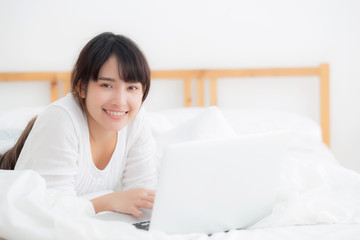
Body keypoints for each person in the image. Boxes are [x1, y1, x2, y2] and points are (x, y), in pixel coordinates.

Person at [0, 32, 157, 217]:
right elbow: (49, 211)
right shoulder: (61, 119)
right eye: (106, 85)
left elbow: (144, 193)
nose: (120, 102)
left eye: (132, 88)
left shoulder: (137, 121)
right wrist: (110, 201)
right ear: (82, 87)